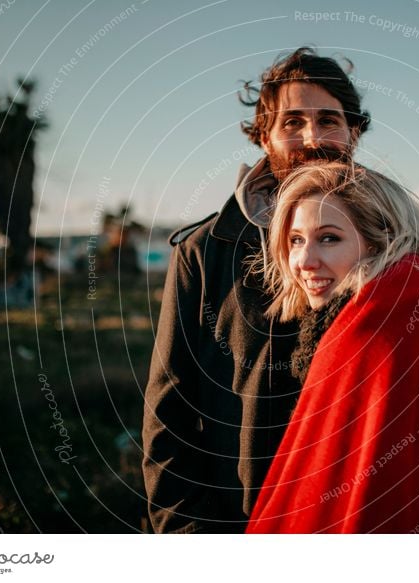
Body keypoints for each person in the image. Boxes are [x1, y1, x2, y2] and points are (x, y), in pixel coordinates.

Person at [142, 48, 371, 533]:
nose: (311, 138)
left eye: (328, 120)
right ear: (263, 137)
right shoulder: (204, 252)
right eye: (292, 123)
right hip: (239, 523)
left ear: (354, 132)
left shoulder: (392, 245)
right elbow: (169, 414)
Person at [245, 163, 419, 533]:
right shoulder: (389, 305)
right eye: (295, 240)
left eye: (329, 238)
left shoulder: (376, 327)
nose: (305, 261)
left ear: (379, 240)